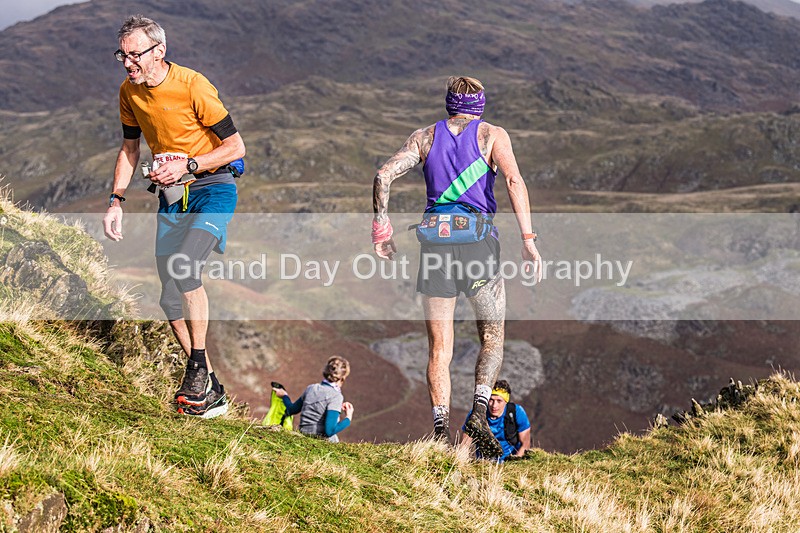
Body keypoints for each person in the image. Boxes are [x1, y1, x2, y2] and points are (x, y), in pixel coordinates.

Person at [371, 76, 542, 457]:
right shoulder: (493, 135)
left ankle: (439, 431)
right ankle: (480, 410)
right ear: (481, 104)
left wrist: (382, 229)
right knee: (493, 338)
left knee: (439, 348)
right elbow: (513, 180)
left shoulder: (424, 137)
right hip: (478, 243)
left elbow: (383, 175)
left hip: (434, 244)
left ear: (448, 103)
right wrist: (528, 241)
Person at [102, 15, 246, 418]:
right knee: (168, 298)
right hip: (171, 198)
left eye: (135, 55)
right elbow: (130, 149)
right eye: (122, 55)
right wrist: (116, 199)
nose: (128, 63)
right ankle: (212, 389)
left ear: (158, 52)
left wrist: (190, 164)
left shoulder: (192, 85)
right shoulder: (128, 92)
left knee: (185, 271)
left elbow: (236, 146)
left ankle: (196, 368)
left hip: (213, 188)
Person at [272, 356, 355, 442]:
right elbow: (329, 431)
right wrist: (348, 418)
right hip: (322, 442)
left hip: (303, 436)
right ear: (343, 377)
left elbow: (292, 409)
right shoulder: (336, 396)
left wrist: (284, 396)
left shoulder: (311, 388)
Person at [460, 380, 531, 462]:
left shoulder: (517, 412)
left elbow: (525, 444)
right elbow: (464, 445)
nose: (494, 405)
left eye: (499, 401)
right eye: (491, 400)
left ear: (506, 401)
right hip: (484, 464)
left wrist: (513, 466)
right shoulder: (476, 415)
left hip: (511, 462)